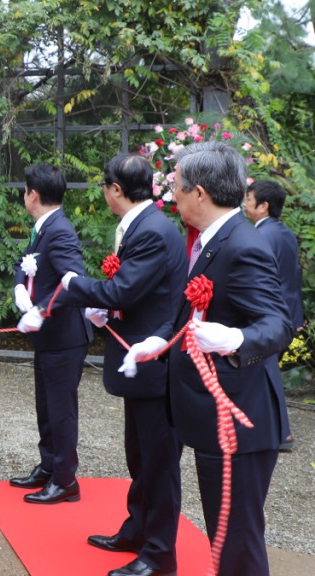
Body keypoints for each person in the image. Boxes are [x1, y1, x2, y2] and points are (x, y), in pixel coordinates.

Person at [121, 142, 292, 576]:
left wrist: (235, 337)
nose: (170, 196)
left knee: (236, 545)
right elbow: (186, 315)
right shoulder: (212, 241)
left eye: (176, 187)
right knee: (226, 538)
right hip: (211, 414)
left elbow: (277, 324)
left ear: (200, 193)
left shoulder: (242, 245)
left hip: (240, 416)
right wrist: (157, 342)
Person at [60, 154, 185, 576]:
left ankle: (159, 554)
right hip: (139, 360)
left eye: (105, 187)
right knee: (140, 456)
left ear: (116, 189)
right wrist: (106, 310)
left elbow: (124, 290)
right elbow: (129, 292)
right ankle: (137, 529)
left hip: (155, 361)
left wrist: (75, 286)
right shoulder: (143, 225)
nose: (104, 194)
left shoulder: (151, 230)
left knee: (159, 462)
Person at [10, 163, 92, 504]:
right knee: (45, 406)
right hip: (48, 336)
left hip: (64, 336)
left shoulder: (59, 230)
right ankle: (48, 465)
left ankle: (65, 479)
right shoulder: (43, 227)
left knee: (61, 409)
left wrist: (41, 310)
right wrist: (19, 287)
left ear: (34, 195)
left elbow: (72, 279)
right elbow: (27, 264)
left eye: (26, 190)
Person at [244, 179, 301, 452]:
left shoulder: (263, 236)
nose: (245, 203)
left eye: (249, 198)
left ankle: (281, 433)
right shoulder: (282, 232)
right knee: (268, 371)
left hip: (274, 317)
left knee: (266, 373)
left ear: (263, 206)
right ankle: (279, 431)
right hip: (287, 314)